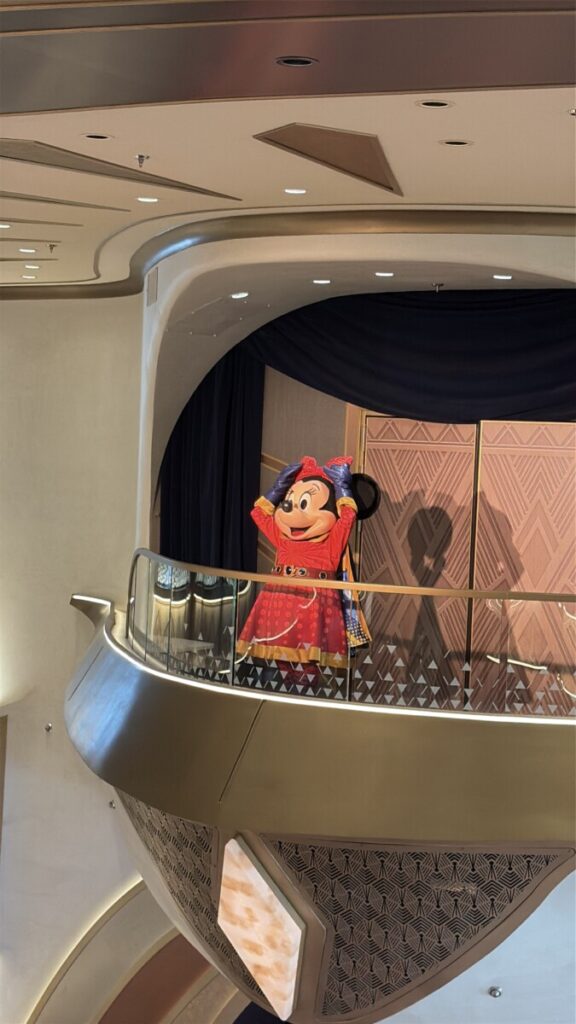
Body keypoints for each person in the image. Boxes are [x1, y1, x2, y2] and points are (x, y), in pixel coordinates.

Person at [236, 456, 357, 670]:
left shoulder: (330, 543)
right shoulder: (283, 540)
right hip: (280, 601)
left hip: (313, 606)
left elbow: (347, 517)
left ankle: (304, 697)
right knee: (281, 662)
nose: (293, 513)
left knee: (308, 665)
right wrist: (277, 489)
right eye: (289, 504)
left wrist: (342, 487)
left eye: (304, 505)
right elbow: (258, 513)